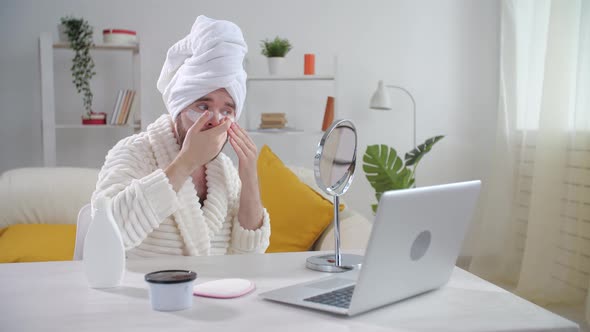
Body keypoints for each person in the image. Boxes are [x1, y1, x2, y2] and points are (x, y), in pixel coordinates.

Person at [91, 16, 270, 258]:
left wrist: (249, 176)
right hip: (144, 292)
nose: (216, 120)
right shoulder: (135, 152)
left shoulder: (225, 171)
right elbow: (107, 234)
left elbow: (249, 255)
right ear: (179, 106)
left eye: (226, 110)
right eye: (203, 106)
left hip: (211, 292)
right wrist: (186, 162)